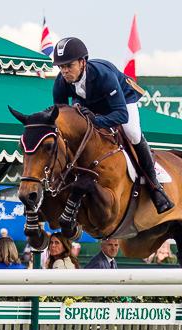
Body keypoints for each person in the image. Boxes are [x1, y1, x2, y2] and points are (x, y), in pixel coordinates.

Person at [51, 37, 174, 215]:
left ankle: (155, 186)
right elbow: (61, 116)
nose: (65, 71)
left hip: (122, 101)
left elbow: (121, 114)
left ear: (83, 62)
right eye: (61, 67)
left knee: (132, 132)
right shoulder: (61, 83)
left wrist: (95, 121)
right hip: (90, 103)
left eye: (69, 65)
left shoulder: (103, 75)